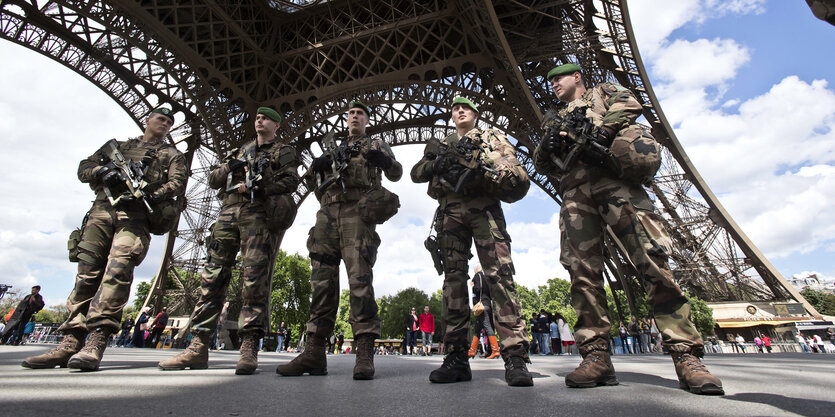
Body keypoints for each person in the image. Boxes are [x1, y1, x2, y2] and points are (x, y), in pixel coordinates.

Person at [533, 63, 723, 395]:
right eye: (549, 81)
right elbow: (541, 160)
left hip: (616, 183)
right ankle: (596, 357)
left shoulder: (602, 93)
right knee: (582, 273)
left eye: (558, 78)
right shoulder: (554, 118)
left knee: (651, 261)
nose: (553, 85)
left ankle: (686, 355)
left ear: (577, 76)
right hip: (576, 194)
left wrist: (602, 133)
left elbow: (631, 103)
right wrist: (548, 146)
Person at [22, 107, 186, 371]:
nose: (165, 123)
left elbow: (177, 184)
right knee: (86, 274)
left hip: (135, 217)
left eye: (169, 122)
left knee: (118, 271)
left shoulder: (173, 155)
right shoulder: (117, 147)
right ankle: (70, 340)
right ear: (148, 119)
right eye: (161, 118)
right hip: (101, 213)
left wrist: (153, 194)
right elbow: (84, 167)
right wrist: (102, 171)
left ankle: (96, 340)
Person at [160, 106, 300, 374]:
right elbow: (212, 179)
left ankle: (249, 346)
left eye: (266, 118)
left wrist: (261, 186)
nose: (259, 120)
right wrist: (229, 167)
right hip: (227, 214)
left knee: (254, 277)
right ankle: (198, 345)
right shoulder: (238, 151)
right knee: (212, 275)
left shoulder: (283, 152)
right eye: (257, 116)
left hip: (257, 212)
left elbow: (291, 181)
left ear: (277, 125)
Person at [412, 96, 533, 386]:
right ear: (451, 116)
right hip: (450, 214)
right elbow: (417, 173)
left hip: (485, 211)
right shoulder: (441, 143)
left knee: (500, 278)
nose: (460, 111)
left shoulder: (491, 137)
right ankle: (455, 357)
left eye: (465, 107)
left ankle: (515, 357)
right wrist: (439, 161)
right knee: (453, 283)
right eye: (454, 109)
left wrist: (482, 165)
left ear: (476, 113)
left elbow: (515, 173)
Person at [277, 100, 402, 380]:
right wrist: (317, 166)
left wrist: (383, 160)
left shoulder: (375, 144)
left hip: (358, 210)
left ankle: (364, 349)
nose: (354, 117)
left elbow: (396, 173)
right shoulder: (334, 148)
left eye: (360, 114)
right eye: (351, 114)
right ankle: (314, 351)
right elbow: (308, 184)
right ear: (346, 120)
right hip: (327, 213)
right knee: (321, 281)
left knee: (359, 279)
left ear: (367, 120)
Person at [468, 264, 499, 359]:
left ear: (476, 269)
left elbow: (477, 289)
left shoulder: (477, 276)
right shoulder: (487, 277)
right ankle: (472, 351)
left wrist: (473, 286)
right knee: (477, 328)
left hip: (481, 305)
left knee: (487, 327)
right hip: (488, 304)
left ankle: (495, 350)